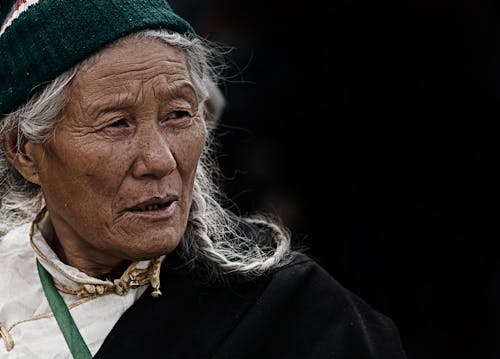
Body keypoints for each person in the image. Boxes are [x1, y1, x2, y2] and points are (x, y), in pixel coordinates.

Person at [0, 1, 408, 358]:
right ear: (22, 151)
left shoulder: (295, 317)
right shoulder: (7, 288)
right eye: (117, 124)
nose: (161, 161)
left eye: (178, 115)